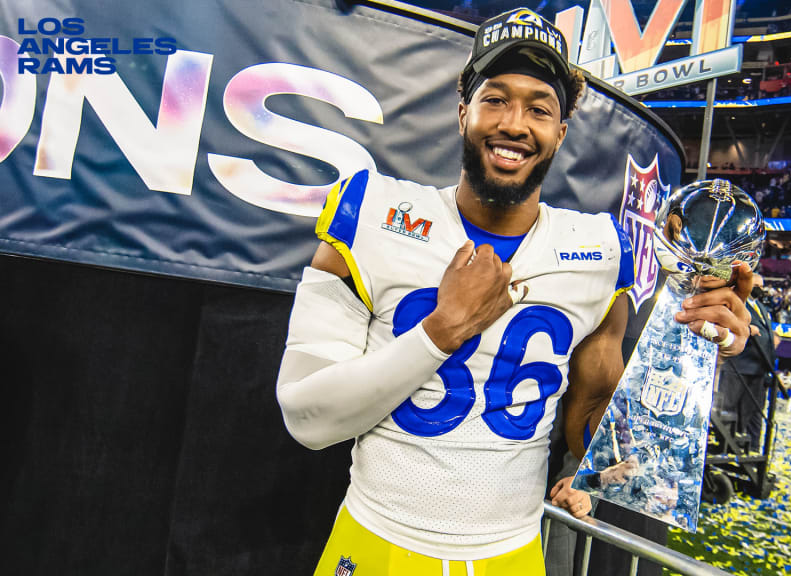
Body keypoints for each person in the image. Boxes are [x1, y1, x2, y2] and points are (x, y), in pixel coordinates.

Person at [274, 8, 755, 575]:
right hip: (378, 538)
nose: (514, 123)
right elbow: (307, 417)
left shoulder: (600, 251)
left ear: (560, 132)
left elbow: (592, 428)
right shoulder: (373, 212)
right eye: (495, 99)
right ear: (463, 114)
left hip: (512, 554)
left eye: (539, 108)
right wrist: (440, 331)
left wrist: (689, 354)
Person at [718, 276, 780, 448]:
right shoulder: (737, 303)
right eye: (757, 285)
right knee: (729, 409)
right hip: (739, 365)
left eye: (762, 286)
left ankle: (752, 447)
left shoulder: (761, 307)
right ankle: (724, 447)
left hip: (759, 368)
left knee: (754, 412)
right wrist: (747, 329)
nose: (761, 288)